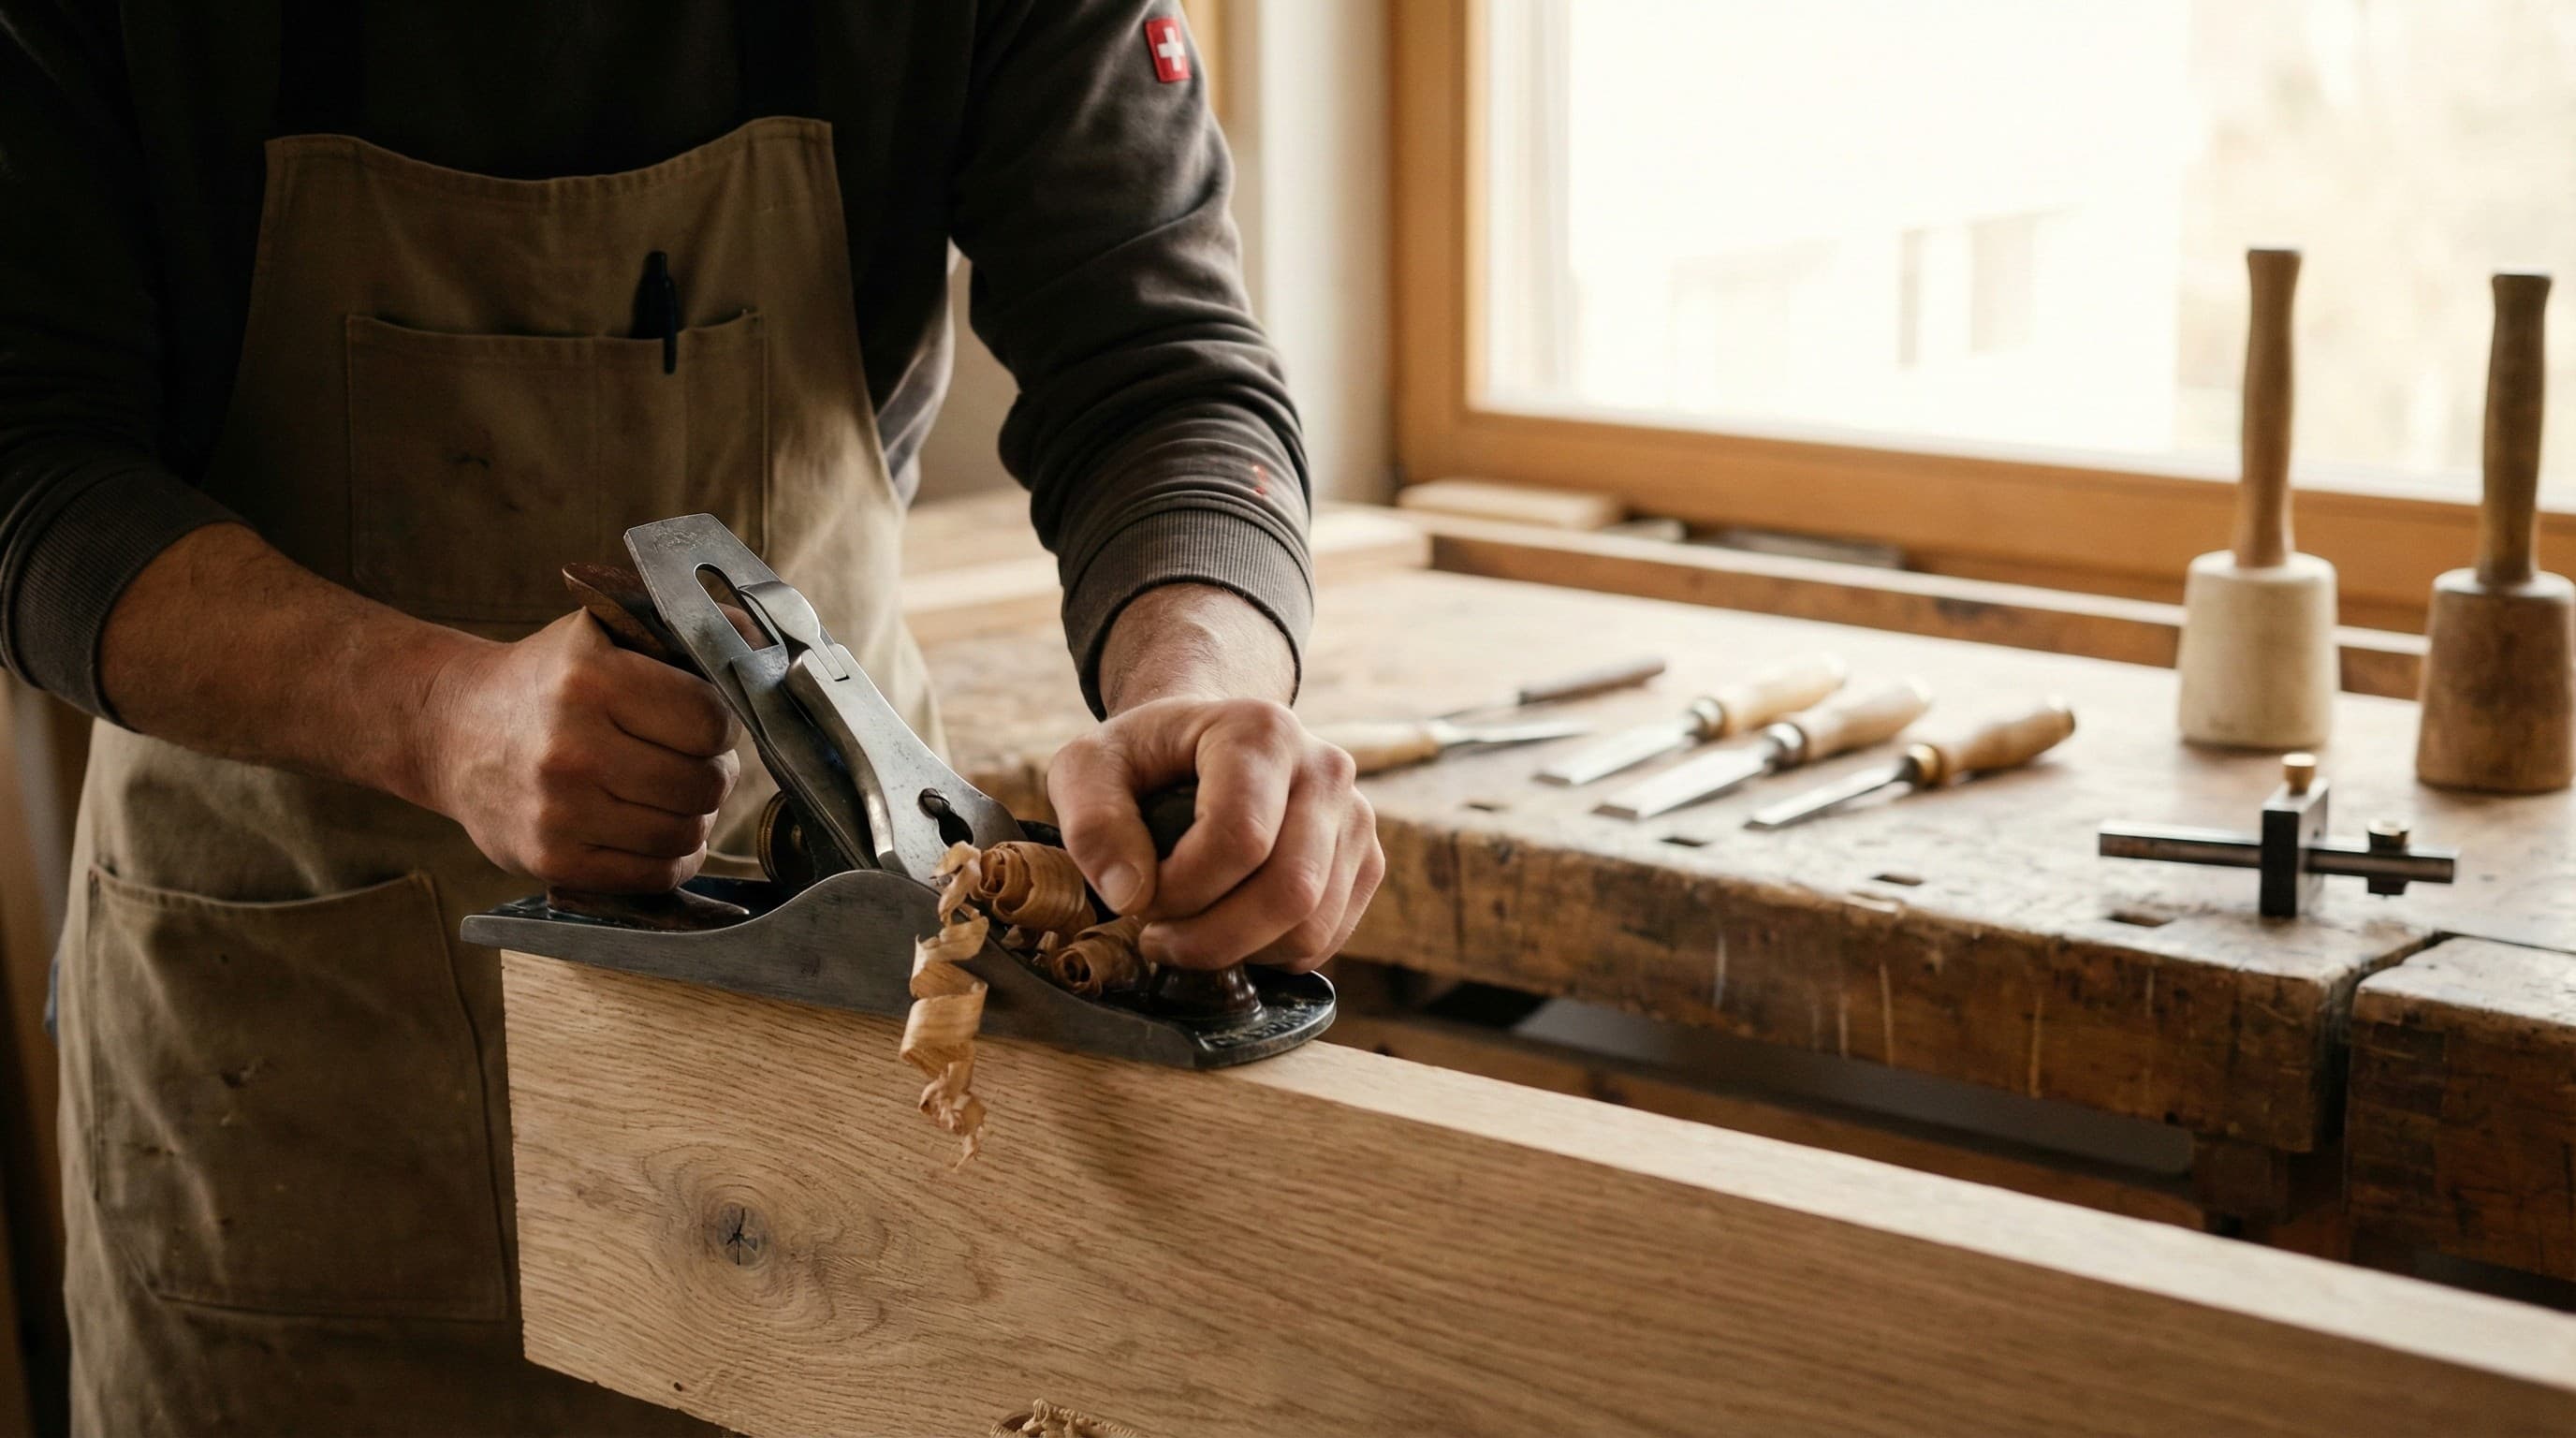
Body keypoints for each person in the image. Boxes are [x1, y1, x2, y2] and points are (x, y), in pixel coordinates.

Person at [0, 2, 1382, 1431]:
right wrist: (435, 713)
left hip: (857, 1112)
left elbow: (1158, 373)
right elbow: (27, 460)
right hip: (303, 1083)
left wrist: (1201, 682)